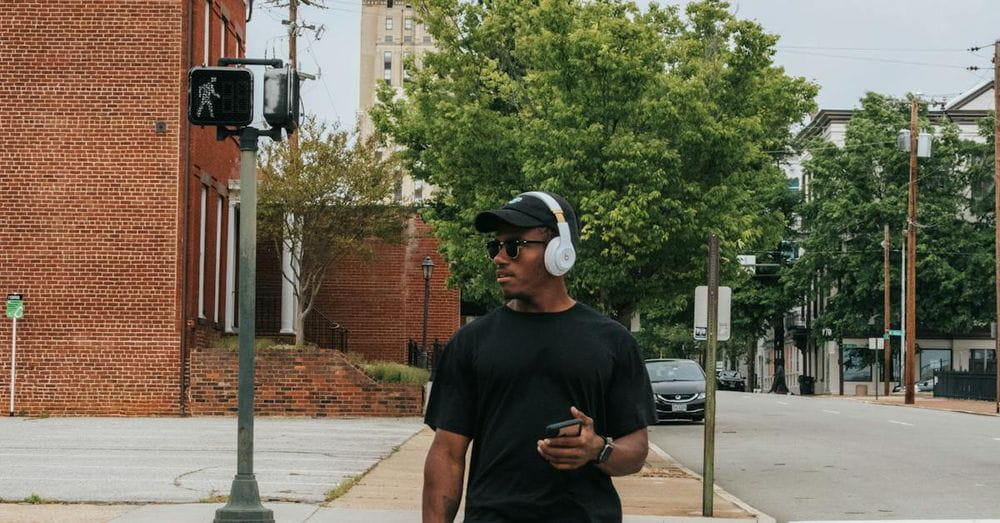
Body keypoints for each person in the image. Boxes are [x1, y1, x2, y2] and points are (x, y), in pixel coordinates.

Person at [423, 191, 657, 522]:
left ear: (559, 252)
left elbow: (636, 450)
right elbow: (447, 454)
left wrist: (597, 450)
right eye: (495, 246)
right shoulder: (470, 343)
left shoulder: (613, 341)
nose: (499, 258)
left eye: (514, 246)